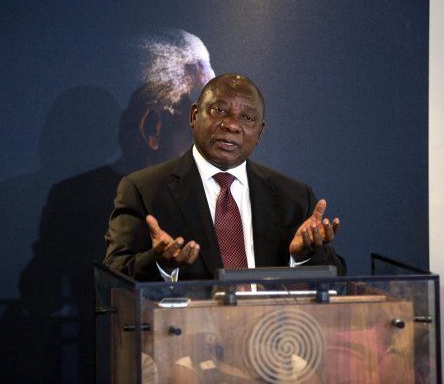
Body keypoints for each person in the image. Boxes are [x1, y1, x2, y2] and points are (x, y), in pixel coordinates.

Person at [105, 74, 345, 281]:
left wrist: (304, 257)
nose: (231, 125)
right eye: (219, 110)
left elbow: (340, 278)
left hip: (270, 332)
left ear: (259, 132)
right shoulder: (143, 189)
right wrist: (160, 265)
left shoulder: (293, 197)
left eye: (247, 118)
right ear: (194, 116)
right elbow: (113, 278)